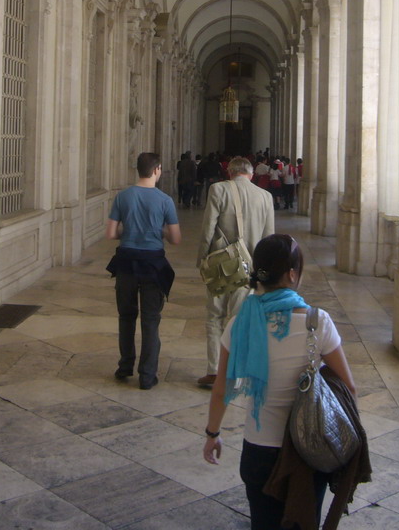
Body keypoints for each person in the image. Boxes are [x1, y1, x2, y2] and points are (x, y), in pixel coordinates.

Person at [202, 234, 357, 530]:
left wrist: (213, 433)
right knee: (305, 520)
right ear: (292, 273)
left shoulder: (240, 323)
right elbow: (348, 387)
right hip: (307, 449)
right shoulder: (317, 321)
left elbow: (222, 388)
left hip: (259, 448)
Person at [195, 156, 274, 388]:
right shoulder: (266, 197)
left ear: (229, 173)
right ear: (251, 175)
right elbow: (269, 239)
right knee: (241, 320)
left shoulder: (218, 189)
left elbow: (208, 227)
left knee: (214, 317)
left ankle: (214, 371)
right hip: (249, 268)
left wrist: (202, 260)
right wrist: (263, 274)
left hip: (221, 265)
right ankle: (237, 374)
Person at [105, 152, 181, 390]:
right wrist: (159, 232)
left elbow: (111, 233)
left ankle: (125, 365)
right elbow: (176, 238)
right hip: (152, 265)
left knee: (126, 317)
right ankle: (147, 375)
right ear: (157, 169)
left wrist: (127, 233)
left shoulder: (123, 197)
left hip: (126, 262)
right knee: (150, 321)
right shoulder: (165, 200)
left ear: (137, 170)